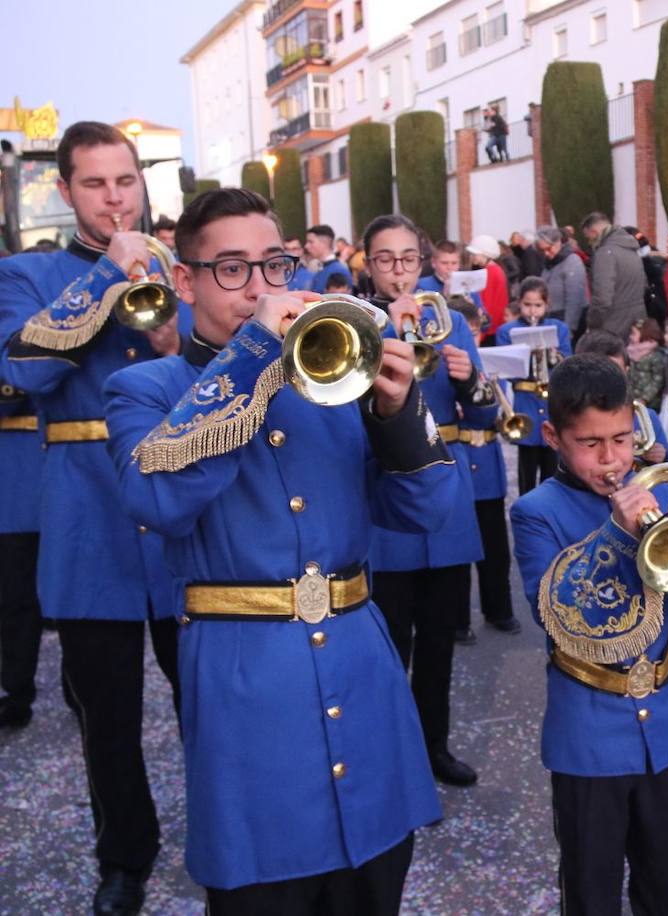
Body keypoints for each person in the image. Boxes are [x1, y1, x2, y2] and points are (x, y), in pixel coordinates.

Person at [102, 187, 451, 913]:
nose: (261, 289)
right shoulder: (144, 388)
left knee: (375, 886)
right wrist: (258, 349)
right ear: (185, 281)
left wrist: (394, 412)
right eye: (232, 269)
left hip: (363, 675)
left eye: (274, 266)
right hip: (248, 694)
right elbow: (158, 499)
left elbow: (427, 511)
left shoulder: (331, 375)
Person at [0, 121, 184, 916]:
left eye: (125, 181)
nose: (114, 197)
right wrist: (108, 279)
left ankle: (226, 829)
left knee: (208, 694)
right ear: (66, 190)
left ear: (141, 182)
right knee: (106, 714)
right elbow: (26, 366)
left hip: (179, 509)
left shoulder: (179, 263)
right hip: (86, 515)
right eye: (95, 184)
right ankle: (125, 858)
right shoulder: (28, 270)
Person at [509, 353, 668, 916]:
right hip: (588, 734)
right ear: (553, 436)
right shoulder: (537, 512)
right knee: (591, 886)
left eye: (623, 440)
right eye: (591, 444)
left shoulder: (657, 490)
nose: (612, 460)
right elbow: (553, 615)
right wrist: (616, 531)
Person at [360, 213, 489, 783]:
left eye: (408, 258)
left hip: (448, 498)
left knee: (439, 641)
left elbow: (486, 412)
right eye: (385, 259)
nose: (398, 271)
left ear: (424, 261)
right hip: (388, 498)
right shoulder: (355, 324)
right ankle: (390, 753)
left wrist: (467, 382)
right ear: (367, 264)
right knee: (390, 642)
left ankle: (434, 745)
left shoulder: (451, 322)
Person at [451, 299, 521, 637]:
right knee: (459, 550)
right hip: (459, 459)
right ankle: (458, 619)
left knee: (496, 548)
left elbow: (505, 414)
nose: (473, 338)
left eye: (477, 331)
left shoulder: (490, 365)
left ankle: (499, 610)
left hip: (489, 460)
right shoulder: (440, 367)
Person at [498, 277, 572, 493]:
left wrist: (553, 356)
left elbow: (568, 363)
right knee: (526, 471)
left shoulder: (558, 328)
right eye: (527, 305)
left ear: (546, 305)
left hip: (551, 405)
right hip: (525, 405)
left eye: (538, 305)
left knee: (552, 465)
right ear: (519, 303)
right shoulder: (507, 331)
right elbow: (506, 370)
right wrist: (525, 354)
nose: (532, 311)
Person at [0, 379, 43, 730]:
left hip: (48, 467)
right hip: (12, 479)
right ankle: (15, 691)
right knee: (14, 598)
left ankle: (78, 688)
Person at [575, 329, 668, 464]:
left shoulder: (646, 418)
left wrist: (662, 457)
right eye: (598, 373)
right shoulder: (573, 419)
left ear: (626, 371)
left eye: (615, 371)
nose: (608, 380)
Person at [580, 212, 647, 339]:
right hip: (637, 320)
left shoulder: (605, 253)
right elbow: (643, 284)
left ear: (593, 232)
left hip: (613, 325)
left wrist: (592, 324)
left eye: (588, 237)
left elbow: (602, 298)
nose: (589, 243)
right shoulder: (631, 249)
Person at [537, 225, 589, 332]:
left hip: (568, 319)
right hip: (553, 317)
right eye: (542, 250)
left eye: (548, 248)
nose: (546, 253)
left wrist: (569, 328)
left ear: (558, 242)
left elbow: (575, 298)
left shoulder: (572, 261)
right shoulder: (549, 263)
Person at [467, 234, 508, 342]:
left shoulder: (489, 272)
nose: (472, 257)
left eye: (475, 254)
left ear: (485, 254)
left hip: (489, 330)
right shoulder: (495, 270)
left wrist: (481, 332)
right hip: (495, 326)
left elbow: (486, 304)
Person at [626, 317, 668, 408]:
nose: (630, 336)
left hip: (649, 402)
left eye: (633, 334)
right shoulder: (629, 351)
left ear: (645, 334)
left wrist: (645, 398)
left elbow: (657, 381)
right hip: (631, 397)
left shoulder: (655, 356)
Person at [306, 224, 352, 294]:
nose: (306, 246)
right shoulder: (320, 268)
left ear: (323, 243)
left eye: (311, 242)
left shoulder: (338, 271)